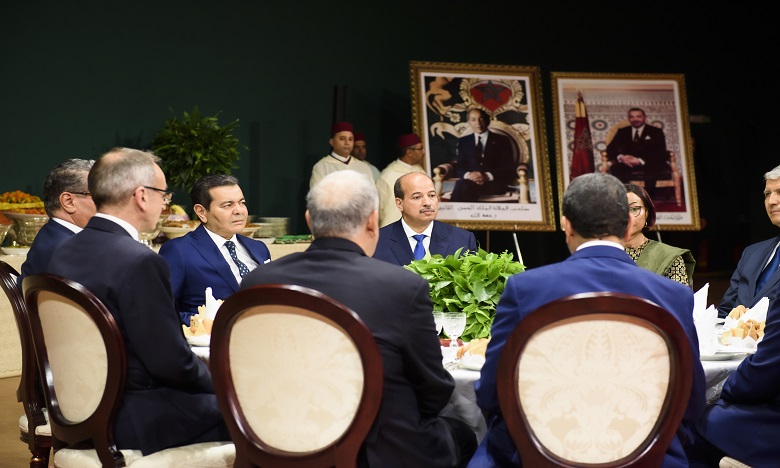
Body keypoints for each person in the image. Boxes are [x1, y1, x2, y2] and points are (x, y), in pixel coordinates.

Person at [240, 170, 477, 467]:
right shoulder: (402, 287)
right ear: (372, 221)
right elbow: (433, 391)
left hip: (277, 438)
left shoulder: (258, 282)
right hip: (378, 448)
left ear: (310, 221)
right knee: (464, 435)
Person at [468, 172, 704, 467]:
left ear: (566, 226)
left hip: (536, 456)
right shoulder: (674, 295)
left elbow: (491, 393)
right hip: (650, 458)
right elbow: (692, 399)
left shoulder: (524, 289)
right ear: (627, 225)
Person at [46, 148, 229, 455]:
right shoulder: (140, 260)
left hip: (78, 409)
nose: (164, 204)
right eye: (164, 195)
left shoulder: (65, 250)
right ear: (142, 196)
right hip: (135, 416)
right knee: (256, 411)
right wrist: (224, 382)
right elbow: (169, 363)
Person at [159, 174, 271, 326]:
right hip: (213, 336)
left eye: (242, 203)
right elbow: (162, 309)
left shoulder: (258, 248)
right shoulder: (179, 251)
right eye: (227, 205)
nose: (239, 211)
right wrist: (205, 323)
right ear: (201, 212)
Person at [717, 164, 780, 319]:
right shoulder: (751, 253)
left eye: (779, 192)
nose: (771, 201)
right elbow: (724, 312)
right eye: (767, 194)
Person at [374, 172, 477, 266]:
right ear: (399, 203)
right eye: (417, 197)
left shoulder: (463, 240)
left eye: (431, 195)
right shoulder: (377, 241)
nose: (427, 203)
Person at [19, 158, 96, 285]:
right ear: (68, 202)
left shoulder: (50, 234)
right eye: (100, 196)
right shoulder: (74, 252)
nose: (109, 204)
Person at [624, 183, 695, 286]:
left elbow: (678, 295)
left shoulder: (668, 257)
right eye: (620, 209)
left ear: (647, 213)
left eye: (634, 209)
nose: (628, 216)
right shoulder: (602, 253)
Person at [450, 108, 516, 202]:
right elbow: (460, 165)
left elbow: (507, 167)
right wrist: (470, 175)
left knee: (463, 187)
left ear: (487, 120)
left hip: (494, 183)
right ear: (469, 122)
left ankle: (455, 210)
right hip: (469, 181)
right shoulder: (464, 141)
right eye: (473, 119)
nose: (478, 123)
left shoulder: (502, 140)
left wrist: (486, 175)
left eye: (481, 119)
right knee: (464, 185)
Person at [605, 107, 669, 199]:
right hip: (627, 163)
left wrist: (640, 160)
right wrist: (621, 157)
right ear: (628, 118)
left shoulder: (656, 132)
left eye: (638, 116)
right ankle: (624, 198)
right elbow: (611, 148)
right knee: (616, 168)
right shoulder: (622, 131)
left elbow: (660, 151)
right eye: (632, 117)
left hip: (648, 162)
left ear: (644, 117)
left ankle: (647, 199)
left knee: (653, 169)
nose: (635, 119)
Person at [376, 132, 426, 227]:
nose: (423, 152)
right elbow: (378, 208)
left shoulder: (421, 172)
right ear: (409, 152)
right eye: (420, 149)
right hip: (392, 229)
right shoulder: (388, 175)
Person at [309, 121, 374, 188]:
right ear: (332, 142)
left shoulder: (364, 167)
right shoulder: (321, 167)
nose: (347, 143)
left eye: (350, 139)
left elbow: (372, 193)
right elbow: (317, 194)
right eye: (342, 139)